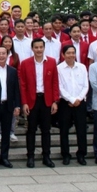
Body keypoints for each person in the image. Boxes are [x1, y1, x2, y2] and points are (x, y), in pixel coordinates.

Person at [18, 38, 59, 168]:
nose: (39, 50)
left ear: (44, 47)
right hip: (31, 100)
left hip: (46, 100)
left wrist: (55, 101)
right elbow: (22, 85)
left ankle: (46, 156)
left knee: (46, 130)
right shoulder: (25, 63)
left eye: (41, 47)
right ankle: (30, 156)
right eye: (36, 47)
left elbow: (55, 82)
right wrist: (24, 102)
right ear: (32, 49)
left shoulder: (52, 62)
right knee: (31, 129)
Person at [57, 45, 89, 166]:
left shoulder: (82, 67)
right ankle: (65, 154)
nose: (71, 55)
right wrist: (70, 99)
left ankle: (81, 154)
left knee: (81, 129)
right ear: (63, 55)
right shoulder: (59, 68)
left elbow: (86, 85)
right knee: (64, 130)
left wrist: (78, 99)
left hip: (80, 102)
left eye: (73, 53)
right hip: (66, 103)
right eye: (68, 53)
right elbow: (59, 87)